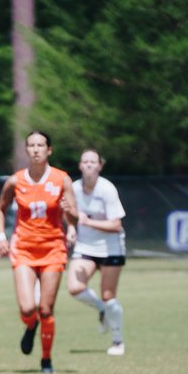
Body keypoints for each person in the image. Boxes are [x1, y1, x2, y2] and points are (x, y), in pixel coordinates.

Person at [0, 131, 78, 373]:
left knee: (46, 309)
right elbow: (0, 209)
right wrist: (0, 237)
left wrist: (70, 220)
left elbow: (75, 216)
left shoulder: (62, 180)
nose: (36, 149)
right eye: (31, 145)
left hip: (53, 248)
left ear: (49, 150)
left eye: (41, 145)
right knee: (28, 309)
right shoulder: (15, 180)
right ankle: (31, 327)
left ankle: (46, 359)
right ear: (27, 150)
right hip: (24, 248)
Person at [66, 149, 127, 355]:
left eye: (93, 161)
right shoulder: (74, 188)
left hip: (111, 246)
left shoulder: (107, 189)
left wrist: (88, 221)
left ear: (100, 166)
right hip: (86, 246)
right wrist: (73, 229)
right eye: (85, 161)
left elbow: (116, 225)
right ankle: (101, 309)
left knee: (109, 295)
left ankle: (118, 341)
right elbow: (71, 215)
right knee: (75, 288)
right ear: (80, 166)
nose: (89, 165)